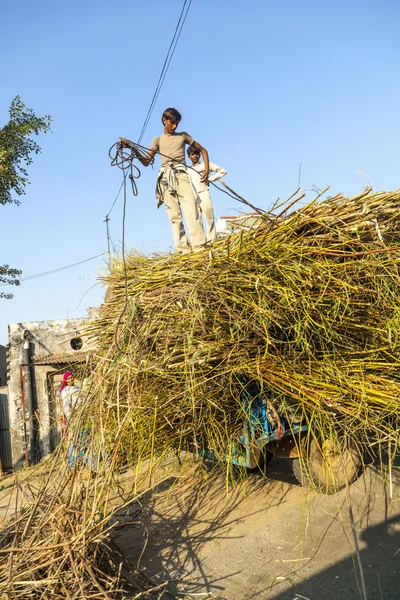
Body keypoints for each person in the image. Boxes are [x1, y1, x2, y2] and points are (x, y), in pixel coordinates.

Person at [121, 108, 208, 254]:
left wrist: (206, 169)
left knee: (192, 211)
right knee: (174, 216)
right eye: (172, 123)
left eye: (177, 124)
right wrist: (132, 148)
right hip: (166, 179)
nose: (174, 126)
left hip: (181, 176)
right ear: (164, 120)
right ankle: (183, 251)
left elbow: (203, 150)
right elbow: (146, 161)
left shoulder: (183, 136)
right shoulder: (158, 140)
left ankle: (200, 248)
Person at [187, 145, 227, 243]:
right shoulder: (187, 169)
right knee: (197, 220)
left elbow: (222, 171)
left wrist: (210, 179)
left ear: (200, 155)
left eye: (197, 154)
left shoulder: (205, 165)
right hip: (193, 196)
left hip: (204, 193)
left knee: (209, 218)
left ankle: (212, 240)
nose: (195, 156)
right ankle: (201, 242)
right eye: (193, 154)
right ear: (189, 156)